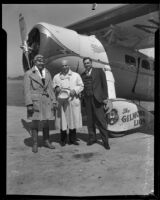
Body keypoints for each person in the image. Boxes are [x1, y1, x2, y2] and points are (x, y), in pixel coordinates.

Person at [24, 54, 56, 153]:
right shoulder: (29, 73)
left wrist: (54, 101)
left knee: (46, 122)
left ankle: (46, 141)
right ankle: (35, 143)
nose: (41, 62)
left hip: (46, 101)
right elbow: (26, 90)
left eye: (42, 61)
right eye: (39, 61)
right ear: (34, 62)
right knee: (35, 122)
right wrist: (29, 104)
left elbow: (50, 88)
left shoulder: (47, 72)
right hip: (35, 102)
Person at [81, 57, 110, 150]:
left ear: (91, 63)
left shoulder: (99, 71)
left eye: (88, 63)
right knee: (90, 121)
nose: (87, 64)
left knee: (101, 121)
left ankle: (105, 141)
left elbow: (104, 85)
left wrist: (105, 98)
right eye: (85, 63)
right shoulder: (82, 75)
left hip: (98, 99)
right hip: (88, 100)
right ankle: (92, 138)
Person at [52, 60, 84, 146]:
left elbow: (81, 85)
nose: (65, 67)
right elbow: (54, 85)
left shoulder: (76, 75)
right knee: (63, 120)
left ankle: (72, 139)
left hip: (72, 100)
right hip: (61, 101)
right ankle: (63, 140)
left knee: (72, 119)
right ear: (61, 67)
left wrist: (75, 90)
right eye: (63, 66)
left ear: (69, 66)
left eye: (66, 65)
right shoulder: (56, 77)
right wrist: (56, 88)